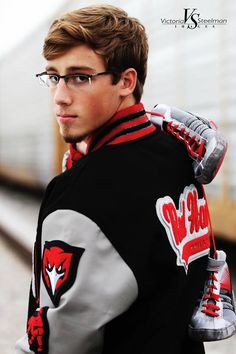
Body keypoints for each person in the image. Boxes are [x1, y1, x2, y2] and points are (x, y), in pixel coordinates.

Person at [16, 4, 214, 354]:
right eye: (53, 76)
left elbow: (58, 342)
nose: (60, 96)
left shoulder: (82, 196)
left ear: (126, 81)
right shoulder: (179, 153)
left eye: (80, 77)